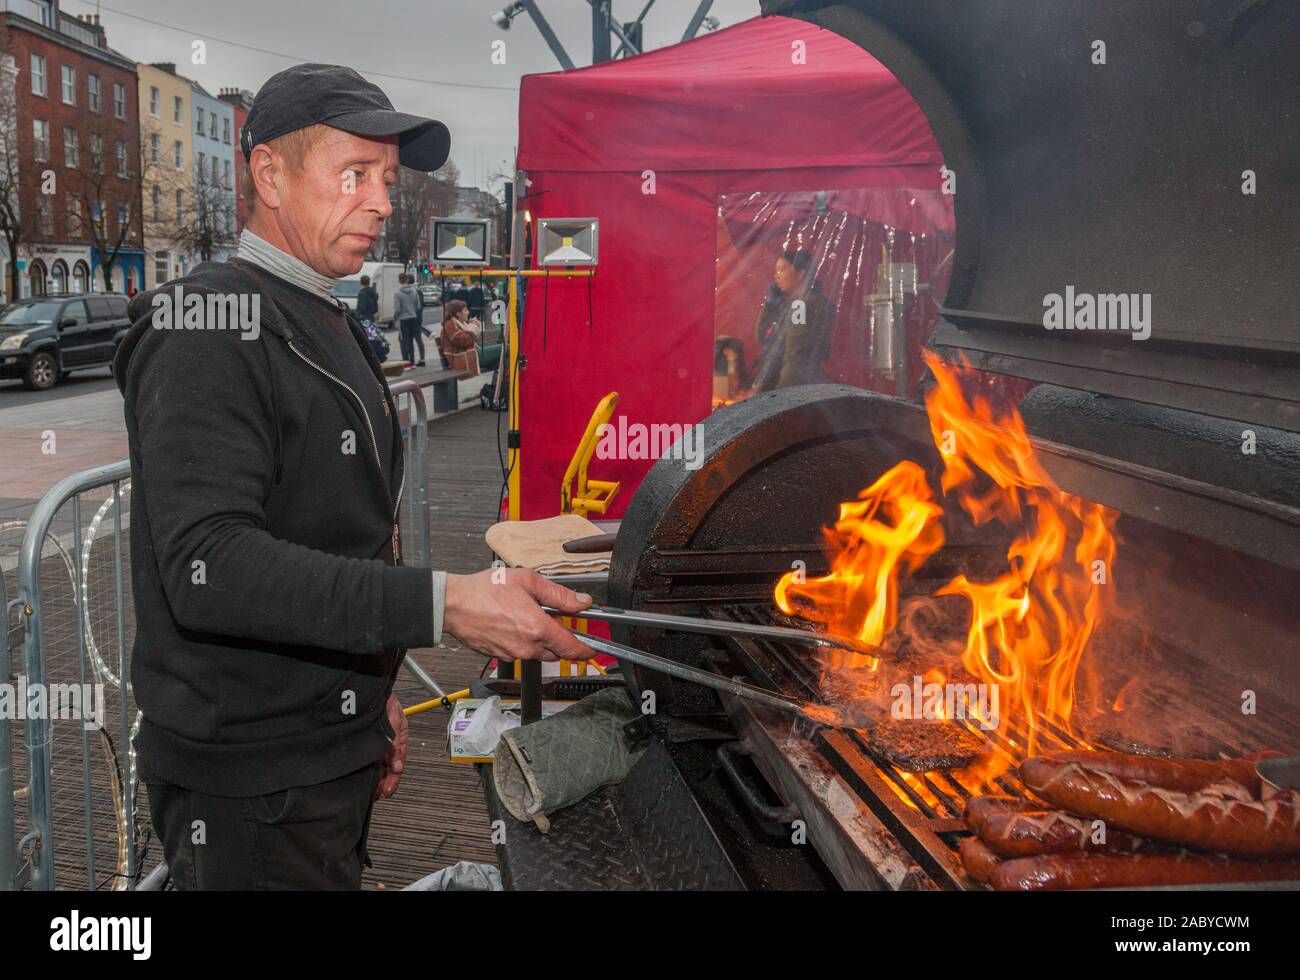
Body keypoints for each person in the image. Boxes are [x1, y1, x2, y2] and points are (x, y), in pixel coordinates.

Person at [111, 62, 593, 891]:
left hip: (325, 746)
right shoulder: (204, 328)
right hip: (250, 779)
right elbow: (212, 566)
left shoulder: (317, 309)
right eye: (354, 173)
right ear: (268, 172)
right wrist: (445, 603)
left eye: (386, 178)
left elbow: (333, 531)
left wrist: (367, 703)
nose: (379, 200)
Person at [751, 248, 836, 392]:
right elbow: (762, 337)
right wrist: (770, 307)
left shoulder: (802, 305)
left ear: (801, 274)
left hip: (792, 388)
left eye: (781, 270)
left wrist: (781, 398)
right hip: (792, 386)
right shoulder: (792, 304)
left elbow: (796, 358)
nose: (776, 276)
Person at [394, 272, 425, 365]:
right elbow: (418, 305)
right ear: (407, 280)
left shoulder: (397, 293)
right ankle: (412, 360)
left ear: (399, 281)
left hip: (403, 318)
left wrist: (396, 316)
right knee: (411, 339)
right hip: (413, 317)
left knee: (404, 340)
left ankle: (406, 360)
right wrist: (413, 311)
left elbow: (398, 308)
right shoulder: (414, 291)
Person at [440, 298, 480, 367]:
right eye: (465, 310)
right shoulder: (450, 324)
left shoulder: (461, 323)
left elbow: (471, 339)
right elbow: (464, 341)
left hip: (466, 354)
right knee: (499, 351)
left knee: (500, 351)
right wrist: (473, 326)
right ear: (458, 314)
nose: (468, 312)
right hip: (460, 358)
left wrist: (475, 327)